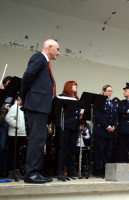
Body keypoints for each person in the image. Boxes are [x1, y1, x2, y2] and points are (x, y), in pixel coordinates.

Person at [19, 39, 60, 183]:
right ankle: (31, 173)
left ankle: (35, 171)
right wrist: (22, 96)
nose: (59, 53)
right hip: (36, 105)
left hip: (41, 107)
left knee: (39, 139)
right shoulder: (39, 58)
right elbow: (28, 76)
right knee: (37, 139)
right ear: (49, 47)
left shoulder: (44, 62)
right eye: (57, 49)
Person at [56, 81, 81, 177]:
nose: (76, 87)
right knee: (63, 149)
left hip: (74, 127)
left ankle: (71, 171)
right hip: (64, 126)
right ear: (68, 86)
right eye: (74, 85)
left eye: (76, 85)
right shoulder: (61, 97)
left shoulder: (76, 99)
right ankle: (60, 170)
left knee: (71, 150)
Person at [93, 85, 118, 178]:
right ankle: (98, 171)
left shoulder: (112, 103)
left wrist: (114, 126)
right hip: (101, 131)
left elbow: (116, 116)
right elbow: (98, 115)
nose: (110, 93)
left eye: (111, 91)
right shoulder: (99, 101)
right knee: (100, 151)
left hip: (110, 132)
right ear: (103, 91)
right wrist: (107, 126)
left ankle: (106, 170)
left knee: (108, 152)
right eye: (108, 91)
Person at [5, 100, 27, 179]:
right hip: (14, 134)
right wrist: (17, 125)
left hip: (21, 134)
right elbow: (8, 117)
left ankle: (17, 171)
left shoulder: (23, 108)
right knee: (13, 153)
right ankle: (11, 171)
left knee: (17, 154)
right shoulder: (14, 107)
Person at [117, 82, 129, 163]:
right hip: (123, 130)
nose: (124, 92)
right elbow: (120, 111)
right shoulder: (121, 102)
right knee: (121, 150)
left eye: (125, 90)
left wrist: (125, 114)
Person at [0, 76, 13, 176]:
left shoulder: (13, 97)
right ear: (5, 84)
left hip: (11, 124)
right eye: (8, 83)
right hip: (3, 123)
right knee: (2, 146)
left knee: (8, 148)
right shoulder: (3, 95)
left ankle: (7, 170)